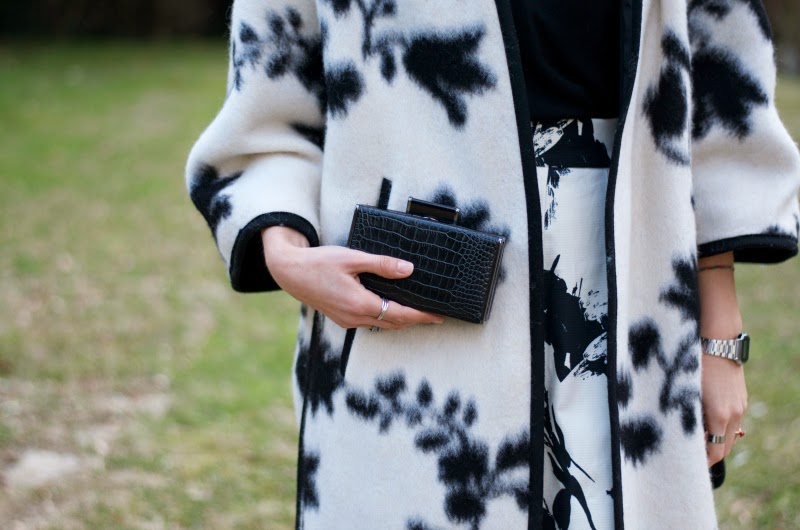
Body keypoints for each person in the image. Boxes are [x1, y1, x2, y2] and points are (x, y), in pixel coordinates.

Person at [186, 0, 800, 527]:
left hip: (632, 273)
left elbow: (721, 87)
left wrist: (721, 338)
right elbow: (272, 91)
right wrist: (286, 255)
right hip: (416, 306)